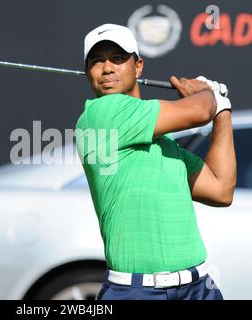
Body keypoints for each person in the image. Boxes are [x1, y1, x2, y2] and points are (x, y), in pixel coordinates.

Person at [75, 23, 236, 300]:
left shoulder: (164, 144)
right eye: (96, 61)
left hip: (198, 287)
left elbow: (221, 190)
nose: (107, 68)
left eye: (117, 58)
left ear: (138, 67)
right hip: (136, 291)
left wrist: (222, 111)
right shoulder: (100, 116)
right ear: (88, 72)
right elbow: (199, 110)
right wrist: (207, 93)